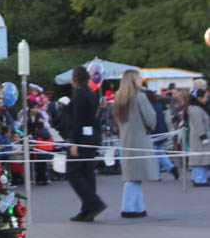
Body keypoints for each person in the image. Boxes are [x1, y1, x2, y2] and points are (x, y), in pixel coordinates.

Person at [113, 71, 160, 217]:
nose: (141, 80)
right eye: (139, 78)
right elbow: (150, 118)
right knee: (134, 176)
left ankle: (139, 206)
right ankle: (128, 207)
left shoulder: (119, 98)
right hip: (139, 139)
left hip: (126, 138)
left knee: (133, 174)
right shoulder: (139, 97)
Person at [66, 65, 105, 221]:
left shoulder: (79, 96)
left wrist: (74, 142)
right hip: (91, 136)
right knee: (87, 172)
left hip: (82, 138)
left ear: (75, 78)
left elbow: (78, 120)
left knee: (73, 172)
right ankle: (87, 209)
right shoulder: (90, 94)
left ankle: (93, 203)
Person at [186, 88, 210, 185]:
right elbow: (198, 124)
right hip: (200, 138)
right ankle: (200, 179)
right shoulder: (195, 109)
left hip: (199, 138)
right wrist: (203, 137)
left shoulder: (196, 108)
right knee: (201, 160)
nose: (207, 99)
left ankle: (199, 178)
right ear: (199, 98)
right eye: (206, 97)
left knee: (202, 159)